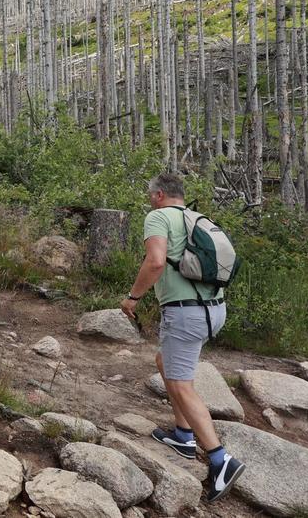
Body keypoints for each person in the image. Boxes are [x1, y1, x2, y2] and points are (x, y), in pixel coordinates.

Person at [120, 173, 246, 504]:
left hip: (186, 312)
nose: (149, 201)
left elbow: (156, 261)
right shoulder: (196, 217)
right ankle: (183, 435)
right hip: (214, 309)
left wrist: (133, 298)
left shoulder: (158, 216)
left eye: (151, 196)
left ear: (159, 195)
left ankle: (220, 459)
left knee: (180, 384)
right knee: (165, 362)